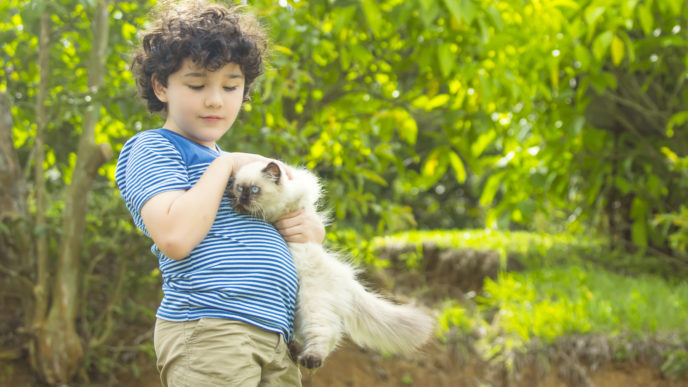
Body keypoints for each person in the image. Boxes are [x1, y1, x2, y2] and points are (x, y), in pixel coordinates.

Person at [114, 1, 324, 385]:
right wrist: (223, 165)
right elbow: (176, 236)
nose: (215, 99)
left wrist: (309, 229)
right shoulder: (155, 148)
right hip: (211, 328)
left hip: (277, 336)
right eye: (197, 84)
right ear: (161, 86)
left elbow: (290, 224)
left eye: (230, 86)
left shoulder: (239, 168)